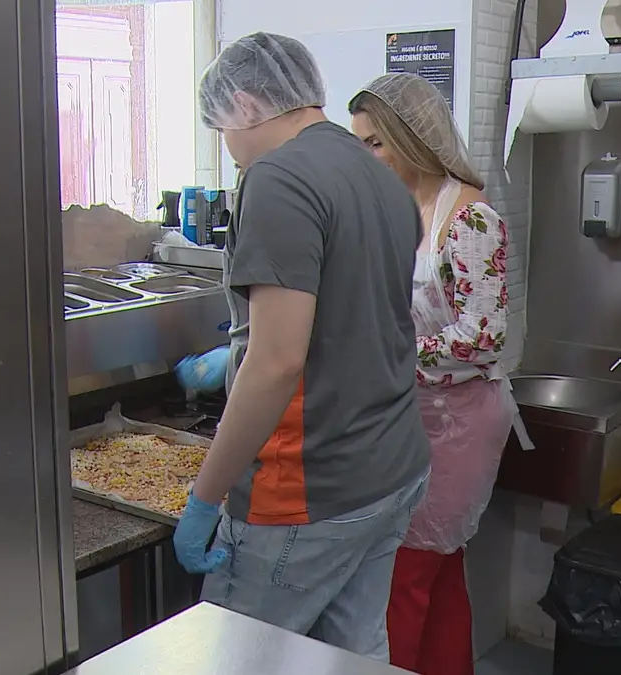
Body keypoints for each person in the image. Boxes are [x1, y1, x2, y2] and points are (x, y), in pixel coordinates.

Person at [170, 32, 432, 662]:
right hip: (390, 467)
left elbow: (278, 361)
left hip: (308, 487)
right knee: (351, 655)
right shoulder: (380, 176)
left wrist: (206, 496)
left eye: (221, 130)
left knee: (239, 657)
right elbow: (361, 316)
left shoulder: (277, 178)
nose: (229, 149)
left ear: (244, 105)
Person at [349, 73, 527, 675]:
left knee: (407, 576)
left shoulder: (469, 220)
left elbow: (482, 337)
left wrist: (388, 355)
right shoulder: (402, 209)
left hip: (456, 424)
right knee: (440, 574)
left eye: (375, 143)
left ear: (411, 137)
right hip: (415, 415)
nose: (366, 157)